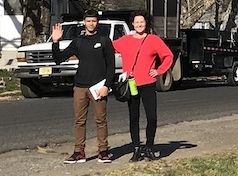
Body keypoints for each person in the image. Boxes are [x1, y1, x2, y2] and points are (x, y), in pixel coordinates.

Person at [51, 9, 117, 163]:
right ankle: (79, 152)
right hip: (80, 87)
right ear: (84, 22)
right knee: (79, 121)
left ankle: (103, 151)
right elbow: (58, 59)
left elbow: (111, 66)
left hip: (98, 87)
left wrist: (106, 85)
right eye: (88, 21)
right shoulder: (78, 41)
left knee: (100, 120)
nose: (91, 23)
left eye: (93, 21)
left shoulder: (105, 40)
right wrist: (56, 42)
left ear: (97, 23)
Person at [113, 11, 174, 162]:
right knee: (134, 117)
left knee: (152, 117)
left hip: (148, 84)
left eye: (142, 22)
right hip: (132, 84)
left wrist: (159, 71)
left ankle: (149, 147)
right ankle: (136, 149)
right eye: (136, 22)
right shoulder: (125, 40)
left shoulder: (153, 40)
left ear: (146, 23)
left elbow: (168, 56)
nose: (139, 25)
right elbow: (107, 47)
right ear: (132, 24)